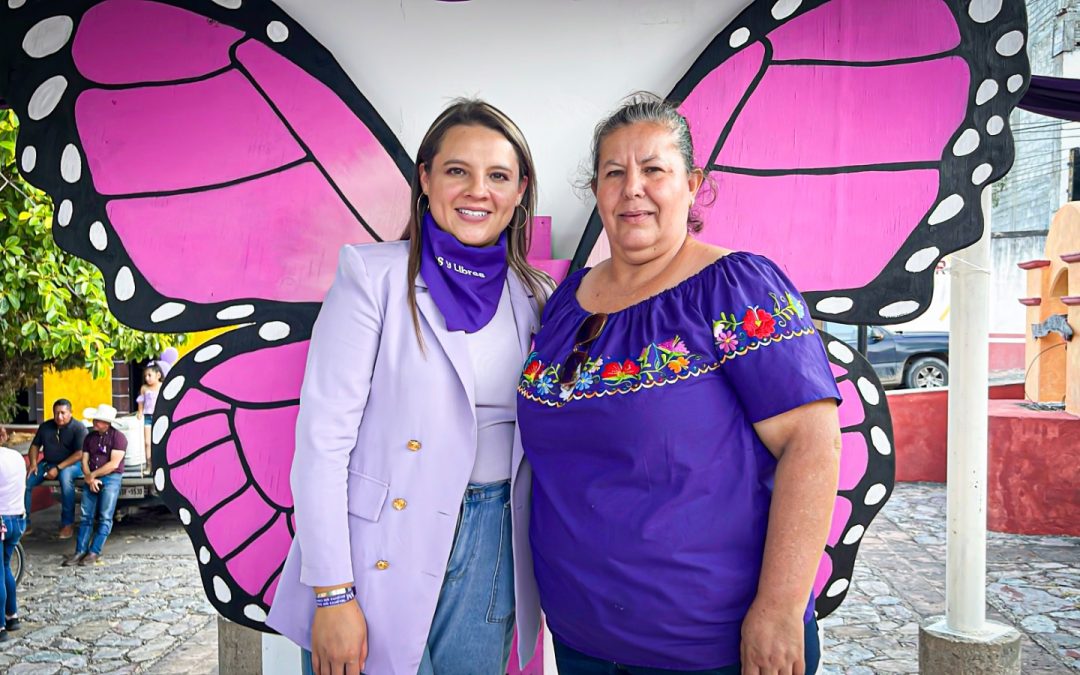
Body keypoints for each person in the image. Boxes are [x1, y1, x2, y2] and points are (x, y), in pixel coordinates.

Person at [516, 94, 842, 675]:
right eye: (614, 173)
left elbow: (812, 444)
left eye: (654, 169)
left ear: (692, 185)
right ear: (596, 190)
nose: (632, 187)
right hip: (580, 638)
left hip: (710, 647)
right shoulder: (565, 301)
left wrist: (780, 608)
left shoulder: (735, 288)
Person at [267, 99, 552, 675]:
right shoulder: (371, 277)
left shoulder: (537, 295)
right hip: (378, 546)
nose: (478, 191)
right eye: (457, 171)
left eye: (498, 175)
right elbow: (322, 444)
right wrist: (332, 593)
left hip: (491, 541)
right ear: (425, 179)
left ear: (519, 190)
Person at [64, 404, 127, 567]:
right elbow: (84, 460)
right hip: (92, 476)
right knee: (86, 516)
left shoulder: (119, 438)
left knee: (105, 516)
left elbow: (114, 464)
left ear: (106, 423)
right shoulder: (89, 437)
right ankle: (80, 551)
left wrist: (92, 476)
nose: (94, 422)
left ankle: (94, 551)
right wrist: (89, 478)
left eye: (98, 420)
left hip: (111, 477)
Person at [24, 399, 88, 538]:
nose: (59, 417)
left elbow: (80, 454)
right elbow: (35, 446)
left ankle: (67, 524)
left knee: (66, 480)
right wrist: (34, 463)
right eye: (56, 413)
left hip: (73, 464)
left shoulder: (78, 428)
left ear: (70, 413)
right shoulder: (46, 427)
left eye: (63, 413)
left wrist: (58, 469)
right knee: (27, 481)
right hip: (48, 462)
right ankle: (25, 523)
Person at [0, 427, 27, 642]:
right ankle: (12, 616)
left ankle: (0, 626)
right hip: (18, 518)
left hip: (1, 519)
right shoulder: (17, 457)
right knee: (5, 566)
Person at [136, 363, 164, 474]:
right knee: (148, 442)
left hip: (160, 416)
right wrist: (140, 412)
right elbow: (141, 401)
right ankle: (149, 465)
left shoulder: (162, 386)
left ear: (158, 375)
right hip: (148, 417)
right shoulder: (144, 388)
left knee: (160, 440)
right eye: (145, 376)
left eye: (149, 375)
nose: (147, 378)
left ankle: (159, 464)